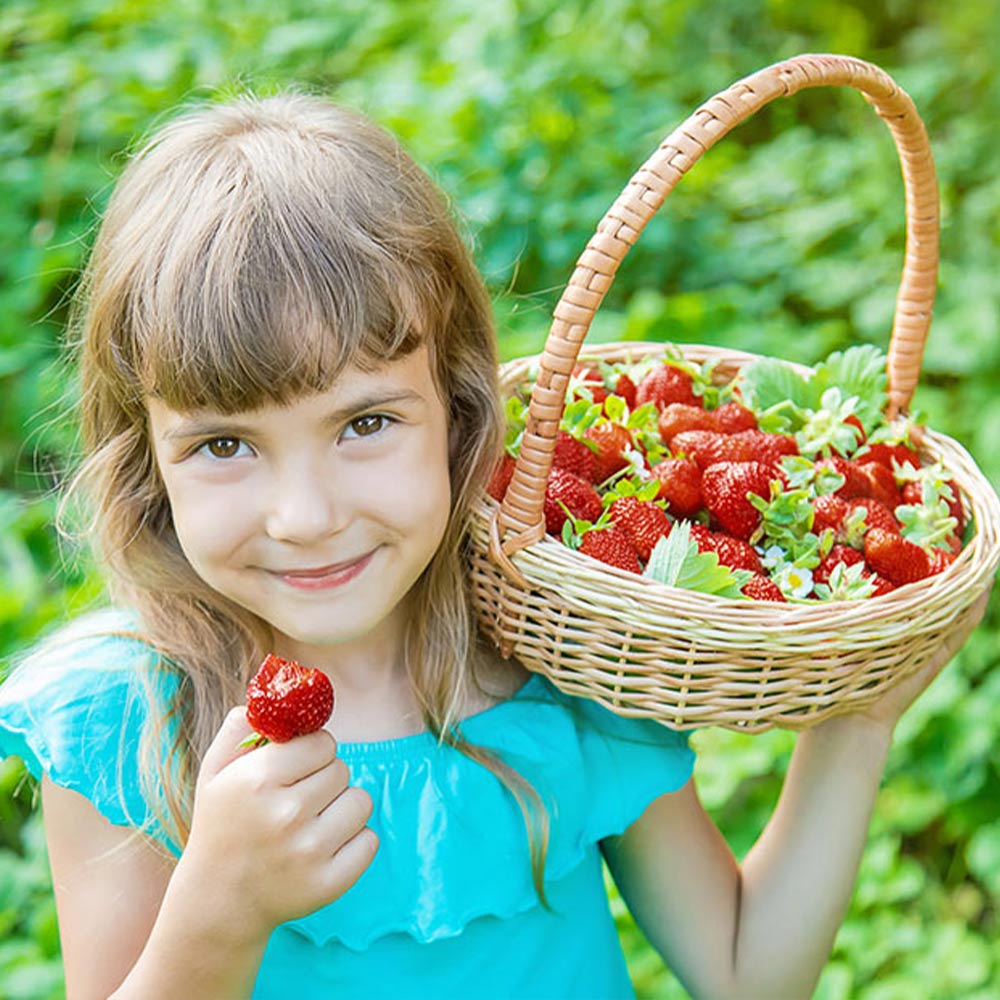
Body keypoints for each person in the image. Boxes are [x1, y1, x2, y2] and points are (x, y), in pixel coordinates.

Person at [0, 90, 988, 1000]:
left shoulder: (555, 666)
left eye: (365, 424)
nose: (302, 514)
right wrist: (218, 911)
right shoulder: (122, 721)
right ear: (146, 463)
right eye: (225, 444)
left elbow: (744, 971)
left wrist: (854, 727)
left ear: (460, 415)